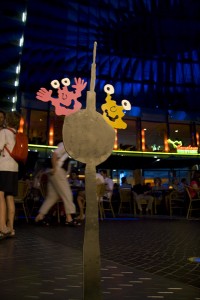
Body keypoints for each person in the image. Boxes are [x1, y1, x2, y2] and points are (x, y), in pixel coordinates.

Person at [35, 142, 81, 227]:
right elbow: (54, 155)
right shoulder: (65, 145)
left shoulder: (66, 147)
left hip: (55, 172)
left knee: (52, 197)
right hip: (58, 171)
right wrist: (55, 169)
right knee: (67, 194)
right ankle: (69, 218)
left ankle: (40, 217)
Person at [0, 111, 21, 239]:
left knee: (0, 196)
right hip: (14, 169)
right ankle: (11, 228)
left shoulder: (3, 132)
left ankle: (2, 227)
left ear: (7, 120)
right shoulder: (16, 134)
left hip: (3, 168)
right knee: (10, 197)